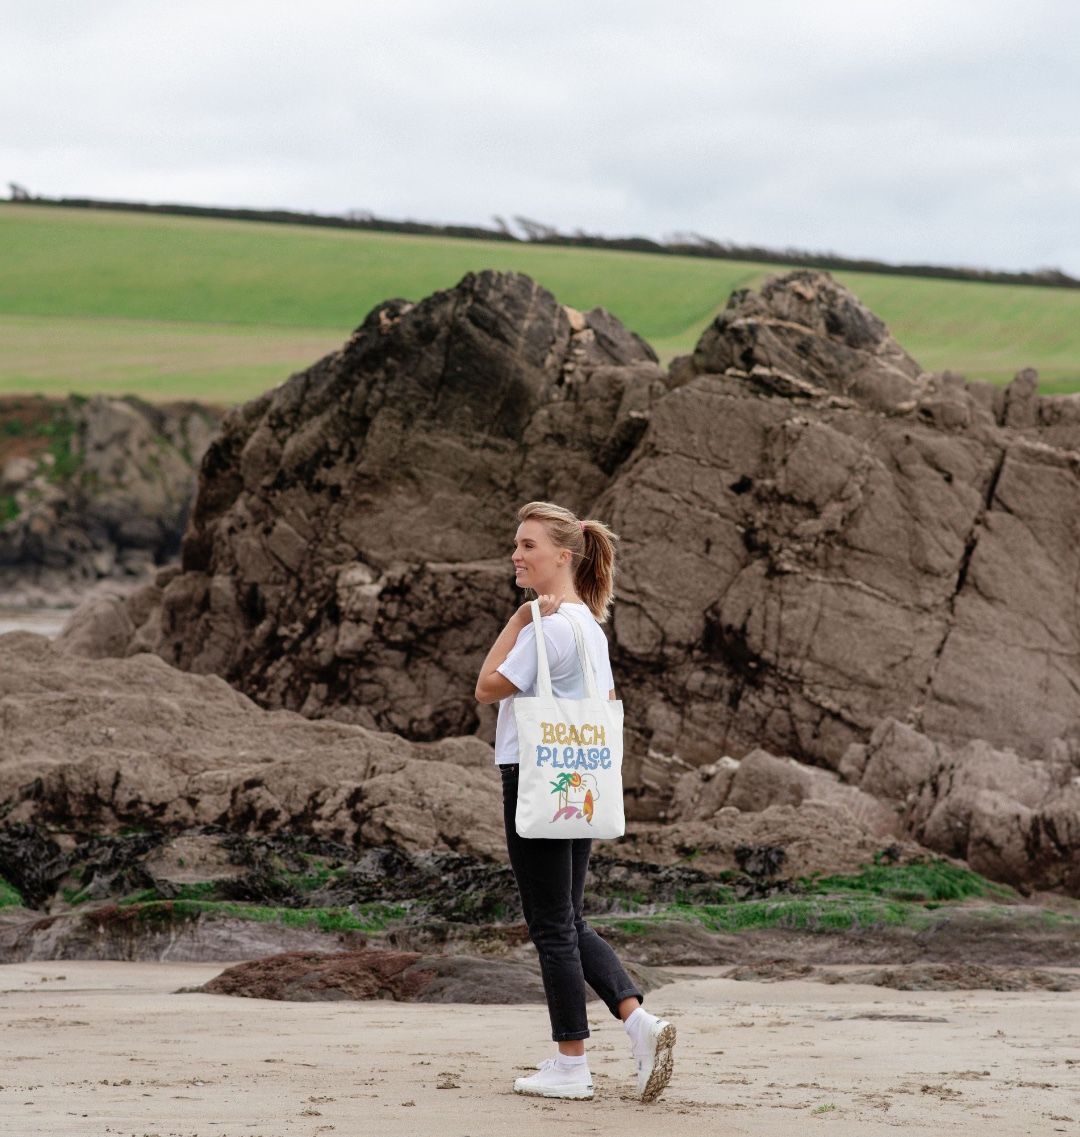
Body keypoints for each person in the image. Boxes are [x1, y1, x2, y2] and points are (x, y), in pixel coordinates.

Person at [475, 500, 676, 1102]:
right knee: (568, 917)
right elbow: (607, 699)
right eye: (517, 544)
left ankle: (571, 1064)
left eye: (529, 545)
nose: (517, 554)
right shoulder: (589, 626)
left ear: (563, 555)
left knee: (550, 926)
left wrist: (521, 619)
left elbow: (485, 688)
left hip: (537, 778)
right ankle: (639, 1023)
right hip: (582, 778)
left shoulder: (550, 627)